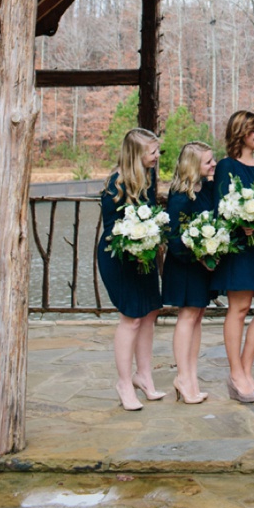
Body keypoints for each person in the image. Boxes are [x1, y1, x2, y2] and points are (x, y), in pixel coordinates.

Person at [211, 110, 254, 404]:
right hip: (239, 245)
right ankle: (237, 374)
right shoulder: (226, 166)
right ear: (241, 132)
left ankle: (246, 369)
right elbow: (220, 206)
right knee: (238, 309)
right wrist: (239, 220)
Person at [97, 127, 164, 410]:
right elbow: (114, 231)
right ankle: (124, 383)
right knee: (132, 318)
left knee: (150, 313)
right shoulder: (116, 184)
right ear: (137, 154)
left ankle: (144, 377)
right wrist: (136, 244)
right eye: (153, 152)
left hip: (144, 256)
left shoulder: (146, 178)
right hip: (119, 257)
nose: (158, 156)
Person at [162, 140, 217, 404]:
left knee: (198, 316)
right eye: (208, 161)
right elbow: (173, 236)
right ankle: (182, 377)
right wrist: (197, 256)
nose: (213, 164)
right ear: (194, 165)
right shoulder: (180, 195)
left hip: (203, 265)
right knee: (187, 317)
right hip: (185, 265)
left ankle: (192, 375)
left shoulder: (205, 189)